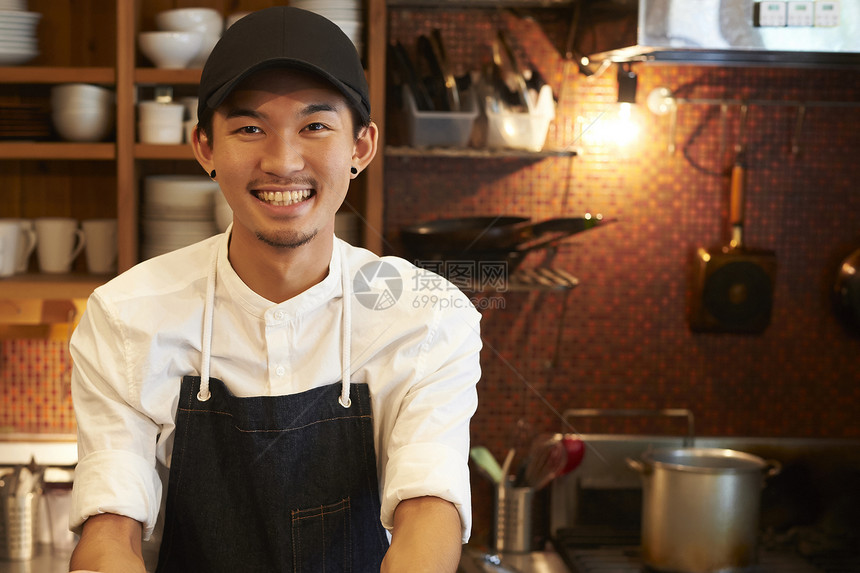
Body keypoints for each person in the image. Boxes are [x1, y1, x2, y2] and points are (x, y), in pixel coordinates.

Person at [67, 7, 481, 573]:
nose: (283, 162)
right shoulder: (126, 316)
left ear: (361, 147)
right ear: (205, 148)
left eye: (315, 126)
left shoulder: (426, 318)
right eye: (249, 128)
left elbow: (429, 510)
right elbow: (109, 532)